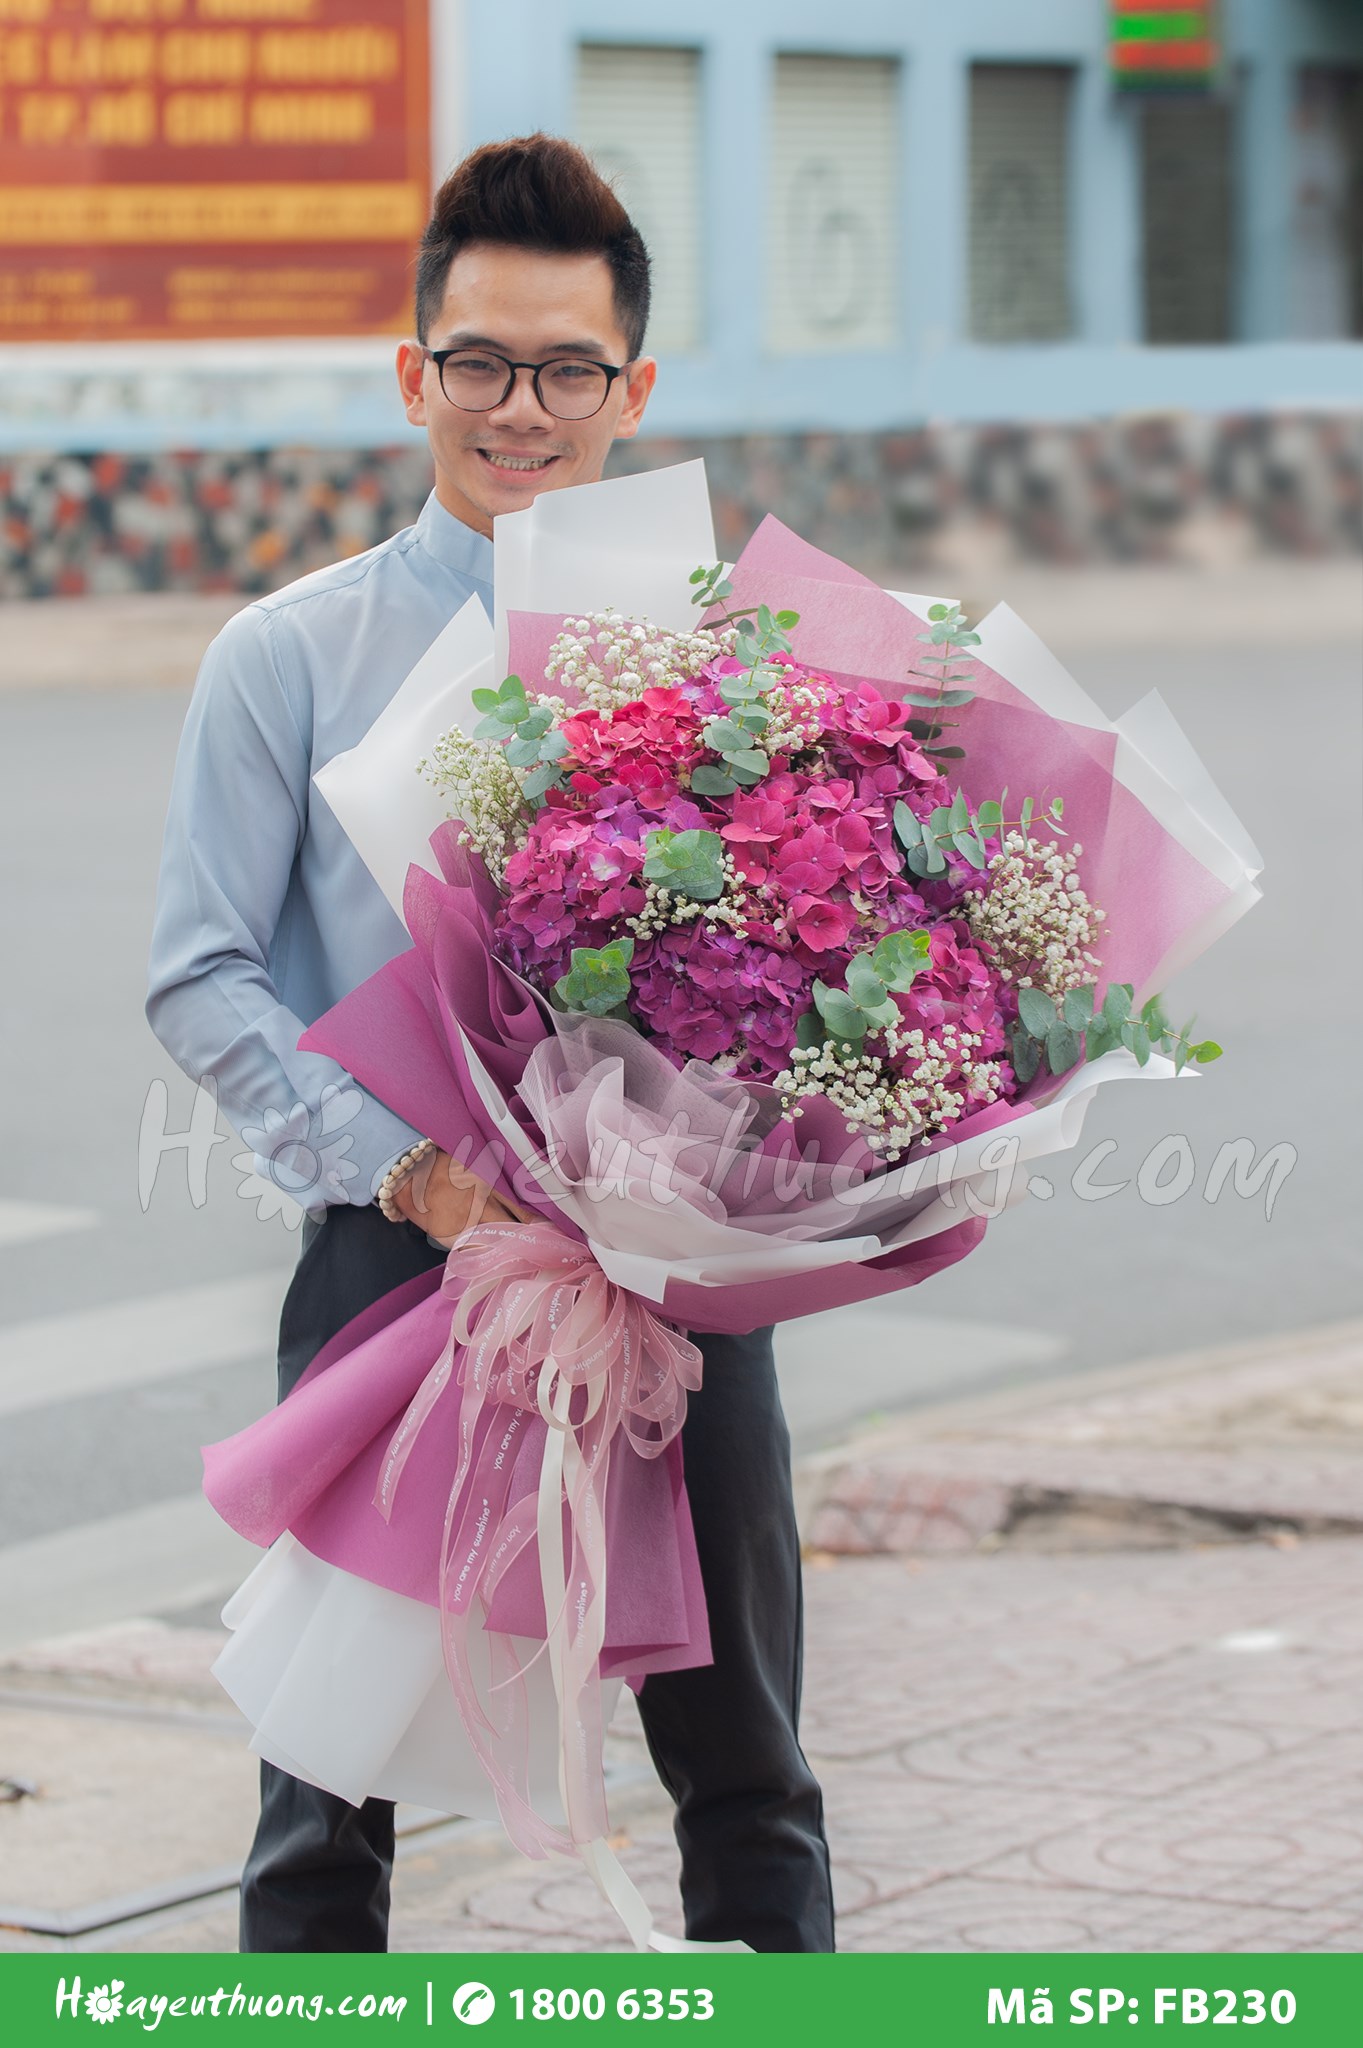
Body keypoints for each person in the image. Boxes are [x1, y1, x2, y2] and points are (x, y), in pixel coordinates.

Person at [146, 133, 834, 1956]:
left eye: (567, 370)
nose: (521, 409)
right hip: (404, 1265)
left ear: (634, 393)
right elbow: (201, 974)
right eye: (480, 363)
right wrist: (413, 1176)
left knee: (748, 1773)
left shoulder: (728, 660)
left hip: (677, 1284)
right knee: (324, 1800)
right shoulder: (289, 659)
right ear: (413, 374)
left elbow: (813, 954)